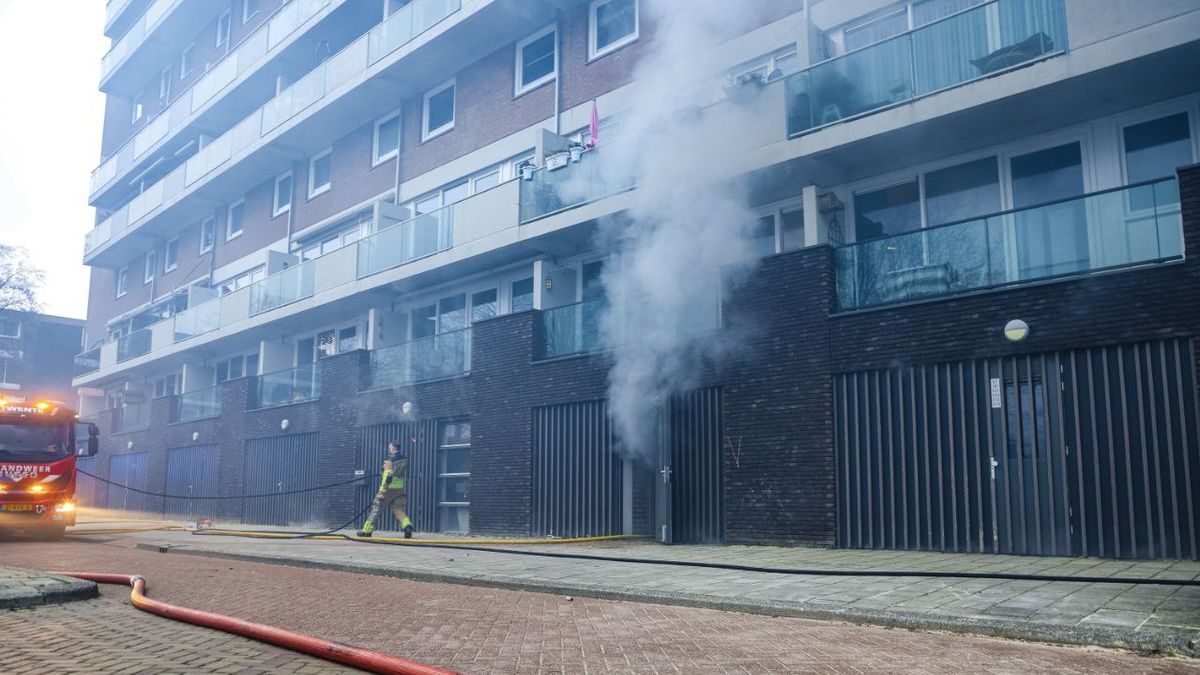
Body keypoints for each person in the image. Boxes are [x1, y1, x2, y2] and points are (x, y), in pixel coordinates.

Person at [358, 440, 413, 538]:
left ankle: (366, 531)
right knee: (398, 509)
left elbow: (388, 476)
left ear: (393, 448)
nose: (389, 449)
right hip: (399, 488)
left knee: (377, 508)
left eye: (390, 447)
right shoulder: (404, 459)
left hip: (389, 489)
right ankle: (407, 526)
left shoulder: (389, 461)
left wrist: (382, 492)